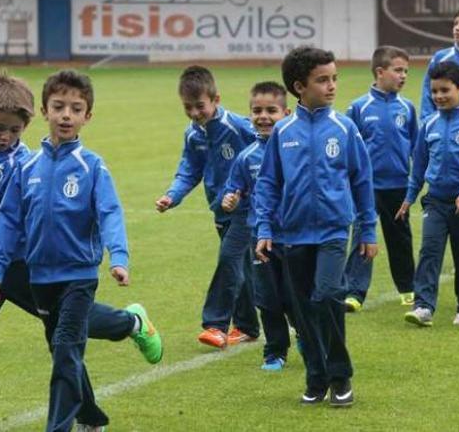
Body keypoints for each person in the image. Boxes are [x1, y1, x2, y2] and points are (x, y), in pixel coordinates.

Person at [0, 71, 161, 432]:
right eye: (0, 128)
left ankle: (131, 323)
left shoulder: (28, 162)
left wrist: (15, 225)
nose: (7, 137)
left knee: (64, 341)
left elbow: (36, 210)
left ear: (27, 125)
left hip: (30, 266)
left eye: (15, 130)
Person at [0, 70, 134, 431]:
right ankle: (92, 418)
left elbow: (110, 212)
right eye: (59, 106)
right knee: (62, 351)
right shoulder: (27, 167)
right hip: (41, 279)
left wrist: (119, 257)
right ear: (45, 111)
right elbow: (7, 222)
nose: (67, 114)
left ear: (87, 116)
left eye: (76, 108)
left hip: (79, 277)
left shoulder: (92, 166)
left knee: (67, 349)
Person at [254, 46, 377, 407]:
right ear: (299, 86)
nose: (332, 86)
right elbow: (268, 183)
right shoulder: (283, 132)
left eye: (334, 78)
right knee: (303, 308)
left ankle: (340, 376)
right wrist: (264, 229)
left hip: (334, 232)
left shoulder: (344, 127)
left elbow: (362, 181)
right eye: (323, 80)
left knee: (326, 296)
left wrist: (367, 231)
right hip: (291, 235)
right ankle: (316, 377)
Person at [155, 66, 259, 349]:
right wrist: (171, 196)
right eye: (187, 107)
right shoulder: (193, 135)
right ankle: (248, 326)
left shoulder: (238, 127)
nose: (194, 113)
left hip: (247, 208)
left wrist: (250, 190)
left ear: (216, 99)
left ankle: (215, 324)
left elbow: (267, 151)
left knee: (229, 260)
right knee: (243, 268)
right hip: (219, 208)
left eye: (200, 106)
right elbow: (189, 170)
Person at [401, 61, 459, 326]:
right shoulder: (428, 125)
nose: (438, 96)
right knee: (429, 250)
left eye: (445, 90)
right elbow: (419, 165)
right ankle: (423, 307)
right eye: (434, 91)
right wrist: (409, 198)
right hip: (436, 201)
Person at [220, 81, 293, 371]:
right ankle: (275, 351)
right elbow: (233, 187)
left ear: (286, 113)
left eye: (271, 110)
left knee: (293, 294)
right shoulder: (246, 156)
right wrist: (230, 198)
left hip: (292, 235)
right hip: (259, 236)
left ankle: (305, 334)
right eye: (257, 110)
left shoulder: (293, 150)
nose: (263, 116)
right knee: (266, 296)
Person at [342, 46, 418, 312]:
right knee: (364, 235)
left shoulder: (407, 108)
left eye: (406, 71)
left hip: (398, 185)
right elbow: (348, 149)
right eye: (398, 70)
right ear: (380, 72)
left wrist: (415, 181)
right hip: (366, 187)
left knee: (400, 238)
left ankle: (408, 288)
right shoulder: (359, 108)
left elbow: (415, 146)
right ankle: (354, 292)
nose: (404, 76)